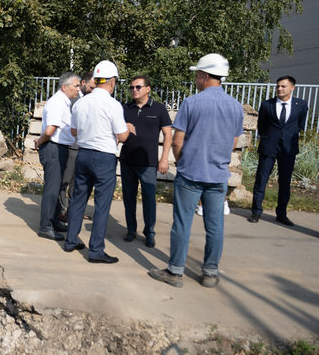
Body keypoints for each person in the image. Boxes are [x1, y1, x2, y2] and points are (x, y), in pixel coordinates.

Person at [149, 54, 243, 288]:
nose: (195, 78)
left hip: (191, 173)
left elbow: (178, 141)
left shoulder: (192, 103)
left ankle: (175, 271)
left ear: (206, 75)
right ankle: (210, 273)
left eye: (197, 74)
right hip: (218, 175)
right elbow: (233, 143)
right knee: (215, 225)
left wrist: (182, 162)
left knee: (182, 223)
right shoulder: (235, 106)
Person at [63, 60, 131, 263]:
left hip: (83, 155)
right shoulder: (113, 104)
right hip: (104, 157)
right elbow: (123, 136)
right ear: (111, 81)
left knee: (78, 199)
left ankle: (70, 241)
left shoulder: (81, 102)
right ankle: (96, 251)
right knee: (101, 205)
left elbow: (74, 131)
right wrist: (127, 128)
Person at [120, 75, 172, 248]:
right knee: (129, 198)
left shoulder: (159, 109)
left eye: (138, 87)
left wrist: (164, 158)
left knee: (149, 199)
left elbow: (168, 135)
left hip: (149, 163)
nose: (134, 90)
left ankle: (149, 232)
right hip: (127, 160)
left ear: (148, 88)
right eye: (132, 87)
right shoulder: (124, 108)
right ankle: (130, 230)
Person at [248, 75, 308, 226]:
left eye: (283, 86)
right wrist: (270, 138)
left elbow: (299, 125)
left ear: (292, 88)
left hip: (288, 149)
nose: (279, 89)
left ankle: (281, 214)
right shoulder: (267, 105)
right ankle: (256, 212)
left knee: (285, 182)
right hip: (269, 147)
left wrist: (286, 137)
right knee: (261, 180)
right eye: (278, 86)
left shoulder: (300, 105)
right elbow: (261, 126)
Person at [33, 72, 80, 240]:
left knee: (58, 186)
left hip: (60, 147)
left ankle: (53, 220)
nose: (78, 89)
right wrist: (40, 141)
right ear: (64, 87)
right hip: (53, 148)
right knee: (52, 189)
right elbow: (49, 130)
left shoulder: (64, 103)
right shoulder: (57, 103)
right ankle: (45, 226)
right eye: (76, 85)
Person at [55, 73, 82, 228]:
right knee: (63, 183)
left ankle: (71, 212)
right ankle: (60, 212)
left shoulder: (81, 99)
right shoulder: (68, 102)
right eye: (76, 86)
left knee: (74, 184)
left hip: (80, 148)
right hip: (70, 147)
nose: (78, 89)